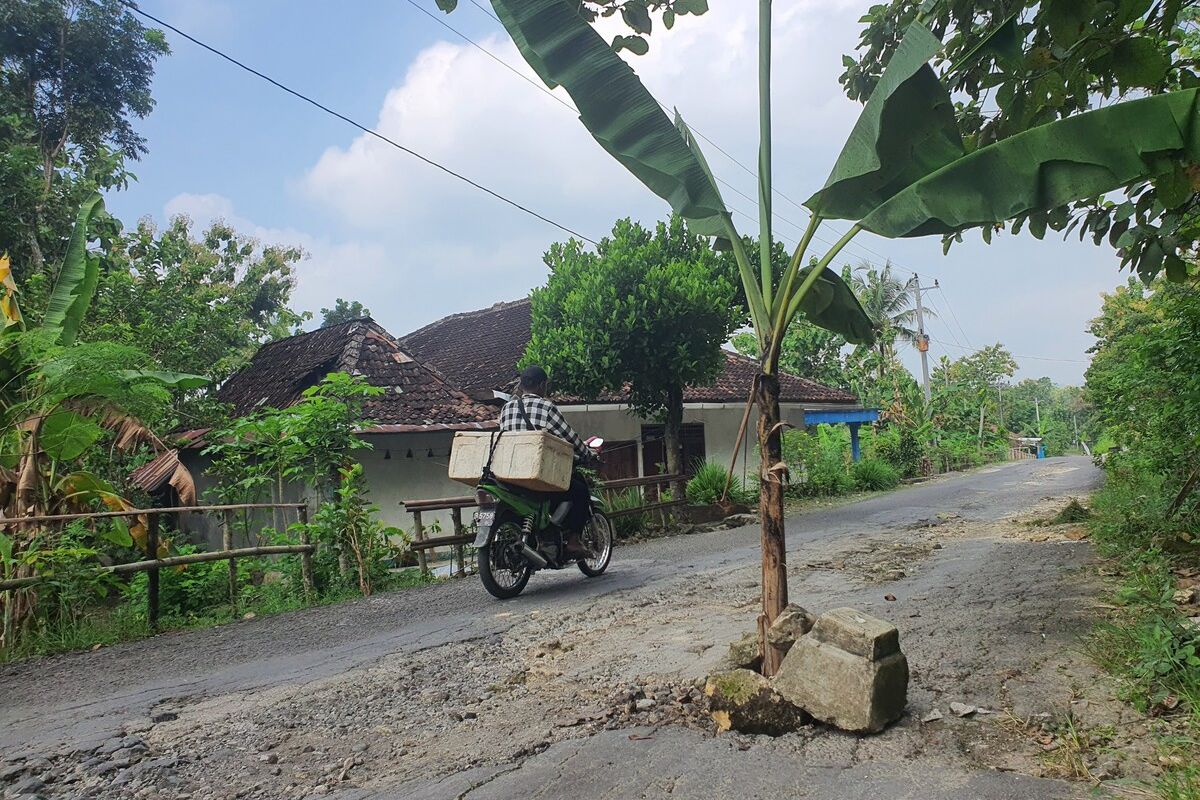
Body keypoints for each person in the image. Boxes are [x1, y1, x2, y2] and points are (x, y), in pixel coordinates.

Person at [499, 365, 596, 558]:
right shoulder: (546, 407)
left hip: (511, 475)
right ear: (543, 385)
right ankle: (574, 541)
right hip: (538, 475)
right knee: (580, 490)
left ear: (522, 384)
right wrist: (587, 454)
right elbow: (570, 438)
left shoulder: (506, 408)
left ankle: (546, 535)